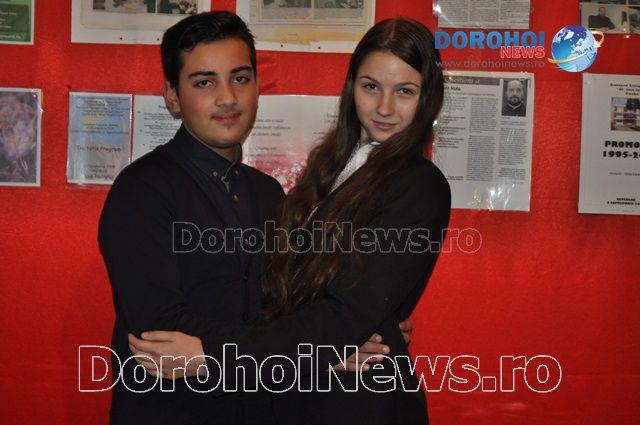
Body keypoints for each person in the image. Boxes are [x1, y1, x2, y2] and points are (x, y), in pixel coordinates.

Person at [130, 17, 451, 424]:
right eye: (371, 87)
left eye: (405, 91)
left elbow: (344, 316)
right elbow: (283, 295)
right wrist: (320, 352)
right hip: (299, 395)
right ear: (352, 86)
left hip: (357, 404)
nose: (385, 108)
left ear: (428, 97)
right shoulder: (331, 169)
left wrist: (214, 356)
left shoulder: (420, 185)